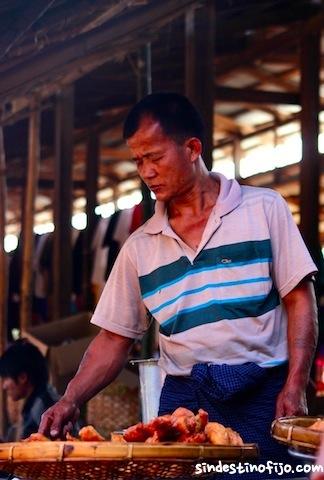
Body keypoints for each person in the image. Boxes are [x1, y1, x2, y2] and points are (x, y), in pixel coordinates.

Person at [39, 92, 318, 465]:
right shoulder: (139, 248)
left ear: (192, 148)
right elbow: (112, 339)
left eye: (154, 157)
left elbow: (300, 298)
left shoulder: (264, 209)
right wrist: (70, 398)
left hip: (264, 397)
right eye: (138, 161)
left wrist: (296, 383)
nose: (146, 172)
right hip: (183, 408)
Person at [0, 339, 59, 440]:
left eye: (5, 378)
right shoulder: (37, 399)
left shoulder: (43, 407)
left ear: (23, 377)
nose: (3, 386)